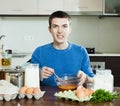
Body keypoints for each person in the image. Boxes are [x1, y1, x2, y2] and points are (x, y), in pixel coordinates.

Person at [30, 10, 94, 86]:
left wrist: (86, 77)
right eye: (55, 26)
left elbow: (92, 79)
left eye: (64, 26)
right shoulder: (39, 52)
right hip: (46, 97)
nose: (60, 31)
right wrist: (39, 74)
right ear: (50, 29)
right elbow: (29, 81)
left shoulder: (81, 51)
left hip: (74, 96)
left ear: (70, 29)